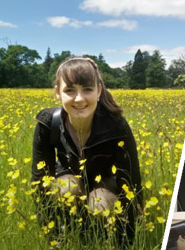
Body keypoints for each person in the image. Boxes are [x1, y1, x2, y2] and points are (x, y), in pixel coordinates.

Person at [31, 56, 143, 245]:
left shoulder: (116, 125)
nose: (79, 99)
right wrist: (53, 237)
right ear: (58, 92)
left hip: (106, 183)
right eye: (70, 90)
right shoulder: (47, 123)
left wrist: (130, 238)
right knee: (67, 189)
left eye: (87, 89)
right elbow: (40, 181)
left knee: (100, 202)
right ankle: (74, 234)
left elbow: (131, 182)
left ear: (99, 90)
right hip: (68, 177)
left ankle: (104, 237)